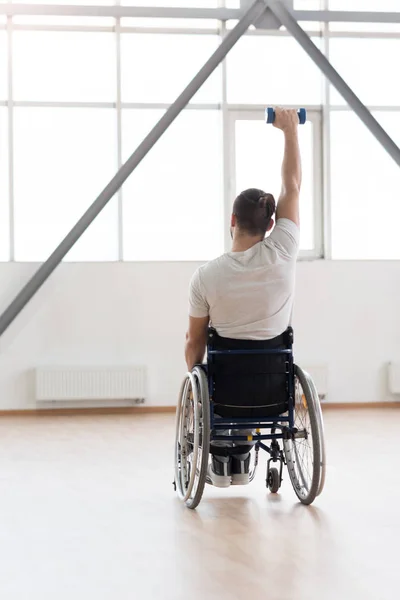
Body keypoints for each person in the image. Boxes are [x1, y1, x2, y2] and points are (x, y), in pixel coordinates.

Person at [185, 107, 301, 487]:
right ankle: (245, 447)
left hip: (226, 392)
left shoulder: (205, 276)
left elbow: (194, 343)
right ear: (271, 225)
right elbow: (292, 186)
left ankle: (225, 454)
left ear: (232, 221)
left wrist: (193, 375)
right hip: (272, 388)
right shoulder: (283, 248)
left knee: (207, 372)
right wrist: (289, 131)